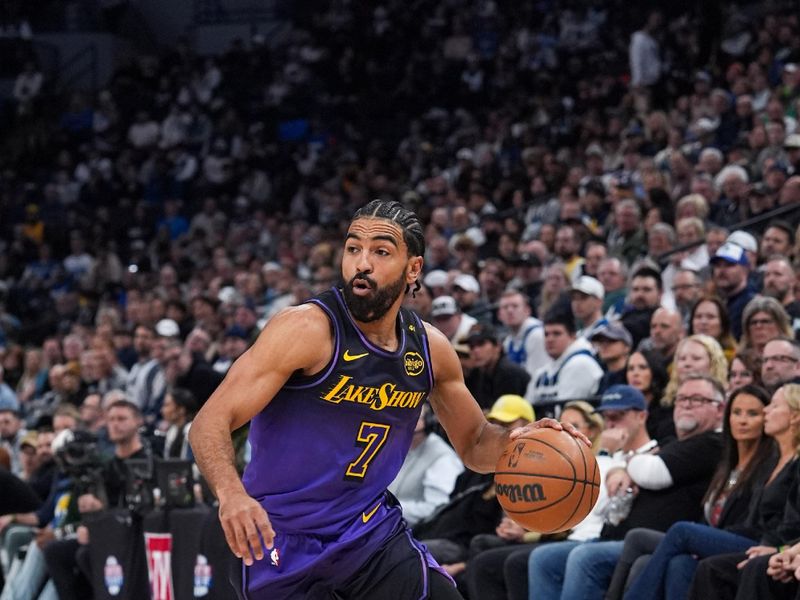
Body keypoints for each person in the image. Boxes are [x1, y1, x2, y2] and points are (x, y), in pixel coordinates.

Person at [188, 200, 587, 600]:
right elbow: (210, 422)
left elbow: (475, 443)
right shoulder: (307, 329)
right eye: (353, 249)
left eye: (380, 251)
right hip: (281, 537)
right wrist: (231, 493)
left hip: (368, 535)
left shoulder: (430, 348)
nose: (362, 263)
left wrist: (519, 443)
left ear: (413, 268)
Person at [611, 384, 777, 600]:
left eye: (752, 414)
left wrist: (703, 541)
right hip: (715, 539)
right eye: (737, 413)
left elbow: (754, 524)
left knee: (682, 531)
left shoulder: (767, 466)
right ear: (728, 417)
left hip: (747, 542)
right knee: (659, 552)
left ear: (765, 419)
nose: (743, 420)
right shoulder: (726, 464)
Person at [388, 403, 464, 526]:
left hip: (412, 533)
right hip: (386, 524)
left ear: (429, 421)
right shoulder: (395, 445)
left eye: (414, 415)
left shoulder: (443, 458)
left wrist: (385, 508)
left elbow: (434, 508)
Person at [688, 296, 737, 363]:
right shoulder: (681, 358)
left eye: (710, 317)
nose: (703, 322)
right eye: (698, 316)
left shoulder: (734, 359)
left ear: (723, 324)